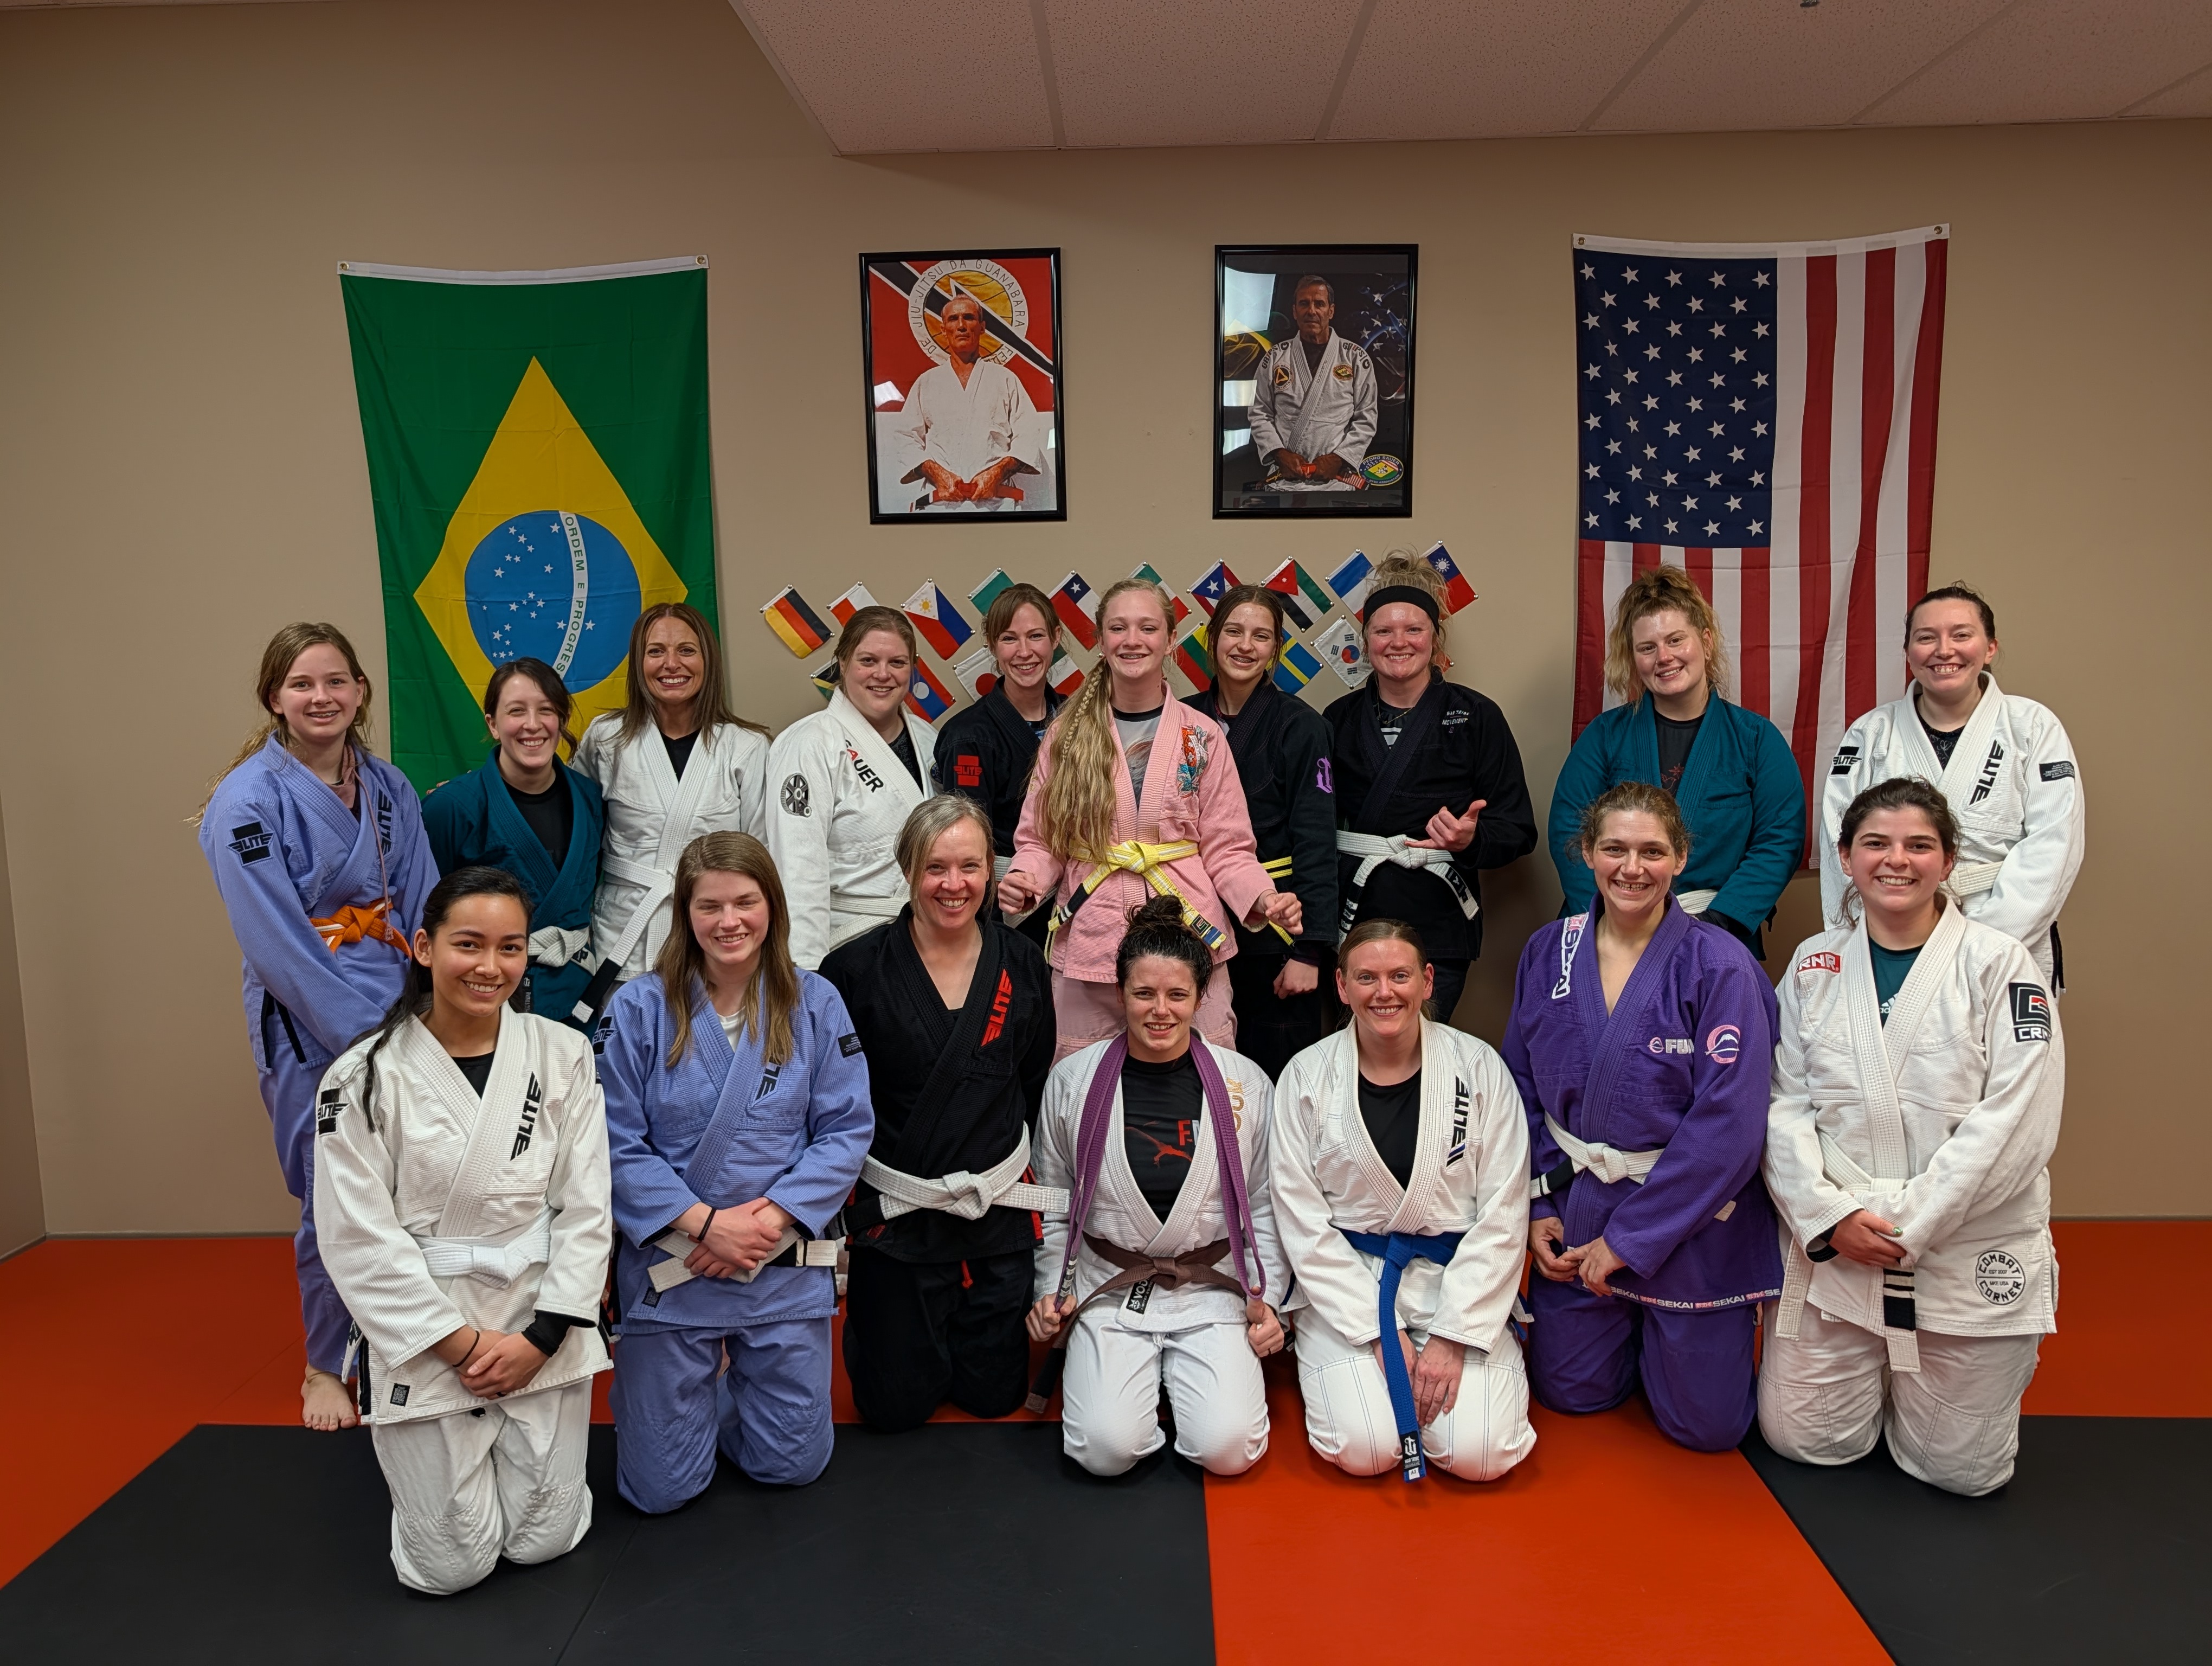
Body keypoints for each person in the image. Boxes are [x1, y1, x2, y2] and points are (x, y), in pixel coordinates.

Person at [312, 867, 612, 1594]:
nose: (491, 967)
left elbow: (587, 1208)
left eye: (511, 948)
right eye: (469, 944)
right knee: (449, 1568)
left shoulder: (563, 1054)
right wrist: (465, 1344)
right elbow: (358, 1239)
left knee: (543, 1539)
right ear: (423, 946)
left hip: (540, 1315)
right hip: (429, 1326)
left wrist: (538, 1340)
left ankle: (514, 1462)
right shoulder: (360, 1080)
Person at [1763, 778, 2063, 1497]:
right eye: (1876, 843)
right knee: (1808, 1442)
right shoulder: (1814, 964)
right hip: (1841, 1251)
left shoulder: (2001, 965)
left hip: (1959, 1247)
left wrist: (1908, 1226)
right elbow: (1782, 1106)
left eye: (1918, 845)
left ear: (1949, 860)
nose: (1897, 860)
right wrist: (1831, 1219)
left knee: (1960, 1472)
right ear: (1846, 856)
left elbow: (2017, 1119)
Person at [197, 621, 439, 1432]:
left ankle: (408, 1342)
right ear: (275, 698)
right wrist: (366, 1040)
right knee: (333, 1193)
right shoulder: (247, 802)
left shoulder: (388, 787)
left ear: (362, 691)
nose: (321, 697)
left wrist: (434, 1012)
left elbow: (423, 901)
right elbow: (275, 942)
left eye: (336, 681)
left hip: (405, 1004)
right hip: (312, 1016)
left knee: (416, 1187)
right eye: (302, 684)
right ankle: (325, 1365)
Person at [597, 832, 873, 1511]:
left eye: (746, 902)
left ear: (771, 907)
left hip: (778, 1263)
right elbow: (612, 1141)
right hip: (675, 1267)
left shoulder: (814, 1002)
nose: (730, 922)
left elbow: (845, 1129)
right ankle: (684, 1403)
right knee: (658, 1491)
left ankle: (724, 1398)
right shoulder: (637, 1008)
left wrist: (768, 1221)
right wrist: (706, 1227)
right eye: (710, 906)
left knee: (793, 1466)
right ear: (684, 914)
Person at [1505, 783, 1781, 1452]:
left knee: (1707, 1429)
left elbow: (1732, 1124)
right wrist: (1540, 1204)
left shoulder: (1721, 965)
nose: (1633, 868)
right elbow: (1518, 1082)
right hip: (1580, 1206)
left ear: (1681, 859)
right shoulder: (1550, 951)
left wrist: (1631, 1242)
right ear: (1588, 857)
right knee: (1573, 1394)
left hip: (1690, 1222)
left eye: (1652, 851)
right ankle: (1621, 1332)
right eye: (1615, 849)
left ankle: (1669, 1334)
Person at [1026, 897, 1287, 1476]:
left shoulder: (1246, 1083)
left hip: (1213, 1291)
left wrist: (1267, 1300)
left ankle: (1180, 1381)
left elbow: (1266, 1207)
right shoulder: (1072, 1080)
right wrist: (1052, 1291)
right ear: (1120, 996)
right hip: (1111, 1286)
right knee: (1104, 1451)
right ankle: (1143, 1381)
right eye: (1144, 994)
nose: (1160, 1011)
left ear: (1201, 998)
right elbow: (1055, 1202)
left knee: (1229, 1450)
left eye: (1177, 996)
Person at [820, 797, 1057, 1432]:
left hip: (995, 1216)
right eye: (935, 868)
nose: (954, 885)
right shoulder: (852, 971)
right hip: (899, 1222)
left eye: (970, 867)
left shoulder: (1024, 963)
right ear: (906, 870)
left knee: (994, 1399)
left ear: (990, 872)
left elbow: (1030, 1081)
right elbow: (834, 1101)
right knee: (891, 1411)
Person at [1270, 920, 1536, 1483]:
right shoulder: (1306, 1076)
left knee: (1481, 1457)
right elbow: (1301, 1220)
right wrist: (1377, 1331)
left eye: (1399, 976)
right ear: (1341, 986)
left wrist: (1451, 1337)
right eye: (1366, 977)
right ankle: (1343, 1359)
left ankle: (1454, 1347)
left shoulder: (1480, 1068)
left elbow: (1504, 1212)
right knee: (1366, 1451)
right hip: (1352, 1285)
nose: (1383, 992)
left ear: (1427, 981)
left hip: (1454, 1280)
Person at [1000, 577, 1302, 1060]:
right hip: (1092, 936)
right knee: (1079, 1079)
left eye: (1148, 627)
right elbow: (1042, 841)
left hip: (1187, 931)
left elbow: (1227, 848)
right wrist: (1024, 879)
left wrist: (1263, 896)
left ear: (1170, 640)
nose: (1133, 640)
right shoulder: (1067, 736)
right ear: (1100, 641)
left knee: (1208, 1072)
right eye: (1118, 628)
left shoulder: (1201, 737)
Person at [1819, 584, 2084, 985]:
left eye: (1961, 635)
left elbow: (2054, 846)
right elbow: (1840, 843)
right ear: (1908, 653)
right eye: (1926, 638)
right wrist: (1879, 937)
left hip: (2004, 937)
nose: (1944, 650)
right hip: (1891, 936)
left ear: (1990, 647)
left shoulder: (2032, 726)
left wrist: (1977, 946)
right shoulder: (1871, 733)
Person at [1547, 566, 1803, 959]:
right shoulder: (1605, 736)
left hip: (1716, 932)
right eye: (1647, 648)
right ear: (1633, 658)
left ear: (1705, 641)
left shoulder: (1756, 740)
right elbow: (1569, 830)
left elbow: (1779, 839)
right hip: (1612, 932)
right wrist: (1613, 918)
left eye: (1675, 640)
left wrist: (1718, 924)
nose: (1663, 657)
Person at [1323, 552, 1535, 1024]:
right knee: (1353, 1056)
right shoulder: (1336, 720)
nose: (1399, 643)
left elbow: (1519, 829)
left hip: (1439, 923)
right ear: (1366, 642)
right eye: (1383, 631)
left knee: (1425, 1055)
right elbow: (1314, 825)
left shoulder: (1477, 715)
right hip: (1355, 917)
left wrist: (1470, 840)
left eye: (1414, 630)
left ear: (1435, 639)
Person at [571, 603, 770, 1021]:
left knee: (706, 1065)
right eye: (655, 651)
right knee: (620, 1068)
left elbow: (762, 858)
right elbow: (567, 826)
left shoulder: (746, 746)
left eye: (686, 650)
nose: (671, 664)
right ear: (639, 663)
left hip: (715, 933)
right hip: (624, 930)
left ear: (707, 660)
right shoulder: (606, 739)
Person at [1186, 584, 1340, 1077]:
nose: (1245, 646)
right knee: (1205, 1072)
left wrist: (1309, 950)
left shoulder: (1302, 727)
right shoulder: (1182, 719)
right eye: (1233, 631)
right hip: (1194, 919)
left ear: (1277, 649)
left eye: (1261, 636)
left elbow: (1317, 842)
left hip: (1275, 929)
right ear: (1211, 639)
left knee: (1275, 1074)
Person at [423, 658, 606, 1027]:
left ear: (563, 720)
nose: (533, 725)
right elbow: (427, 913)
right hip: (487, 998)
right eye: (516, 711)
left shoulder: (591, 799)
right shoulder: (451, 808)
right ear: (492, 724)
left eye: (547, 711)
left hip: (578, 997)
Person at [767, 605, 940, 970]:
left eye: (897, 662)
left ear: (913, 668)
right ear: (842, 663)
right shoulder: (808, 743)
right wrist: (807, 973)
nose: (883, 674)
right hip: (846, 945)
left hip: (929, 940)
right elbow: (798, 870)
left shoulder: (930, 741)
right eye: (868, 660)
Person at [932, 582, 1065, 948]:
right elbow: (965, 843)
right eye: (1009, 639)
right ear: (991, 645)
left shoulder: (1080, 719)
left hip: (1081, 894)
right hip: (1008, 905)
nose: (1024, 652)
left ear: (1056, 638)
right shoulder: (969, 737)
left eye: (1036, 636)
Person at [885, 292, 1044, 512]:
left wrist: (997, 473)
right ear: (943, 329)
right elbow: (906, 437)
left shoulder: (1005, 379)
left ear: (982, 327)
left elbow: (1027, 434)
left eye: (969, 318)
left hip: (997, 504)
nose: (961, 326)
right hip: (941, 504)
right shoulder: (928, 382)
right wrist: (936, 472)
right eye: (953, 319)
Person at [1246, 275, 1378, 491]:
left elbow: (1367, 417)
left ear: (1331, 311)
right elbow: (1259, 412)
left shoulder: (1355, 358)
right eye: (1304, 304)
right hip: (1285, 481)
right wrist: (1279, 454)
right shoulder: (1275, 358)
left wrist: (1339, 458)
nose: (1312, 311)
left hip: (1336, 481)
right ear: (1295, 311)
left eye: (1320, 304)